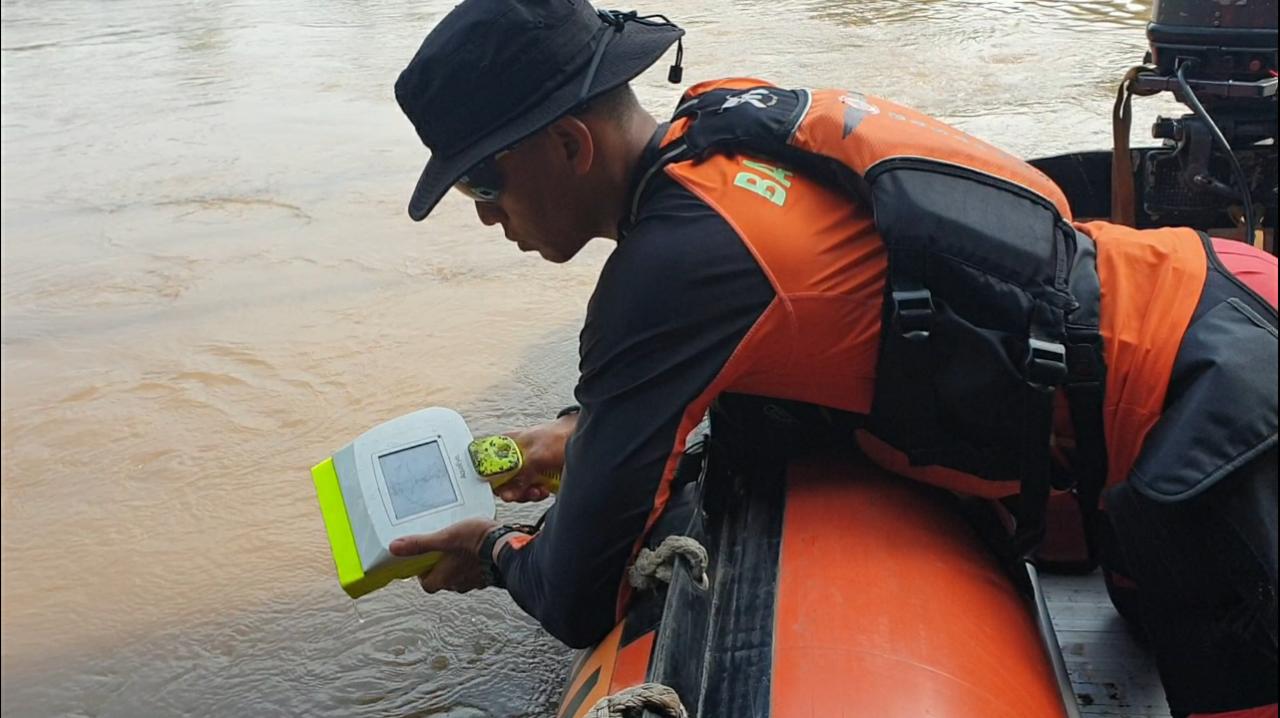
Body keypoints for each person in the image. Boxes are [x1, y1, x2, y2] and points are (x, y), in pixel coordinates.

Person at [384, 2, 1278, 716]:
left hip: (1214, 416)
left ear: (570, 146)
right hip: (1213, 285)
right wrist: (582, 435)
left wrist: (496, 549)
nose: (484, 214)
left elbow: (575, 594)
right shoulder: (719, 123)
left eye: (481, 181)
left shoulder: (662, 276)